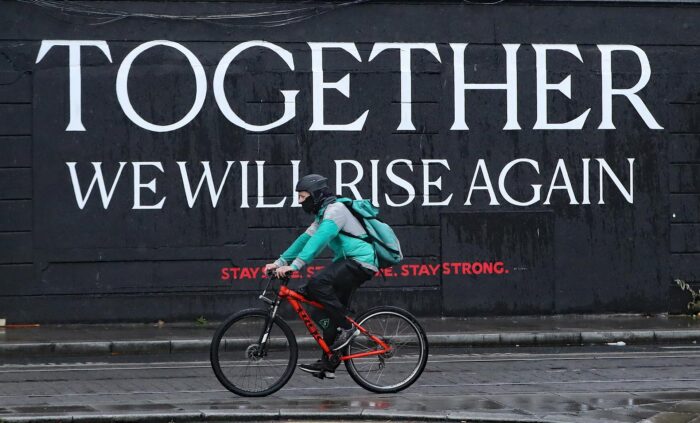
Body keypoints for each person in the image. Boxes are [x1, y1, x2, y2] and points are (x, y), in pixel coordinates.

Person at [265, 174, 377, 379]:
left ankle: (348, 328)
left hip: (360, 261)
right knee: (315, 303)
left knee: (318, 284)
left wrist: (295, 265)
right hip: (347, 262)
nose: (299, 201)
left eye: (303, 196)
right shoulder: (323, 215)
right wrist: (280, 262)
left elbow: (318, 241)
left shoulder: (336, 211)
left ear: (315, 195)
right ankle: (329, 362)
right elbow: (304, 239)